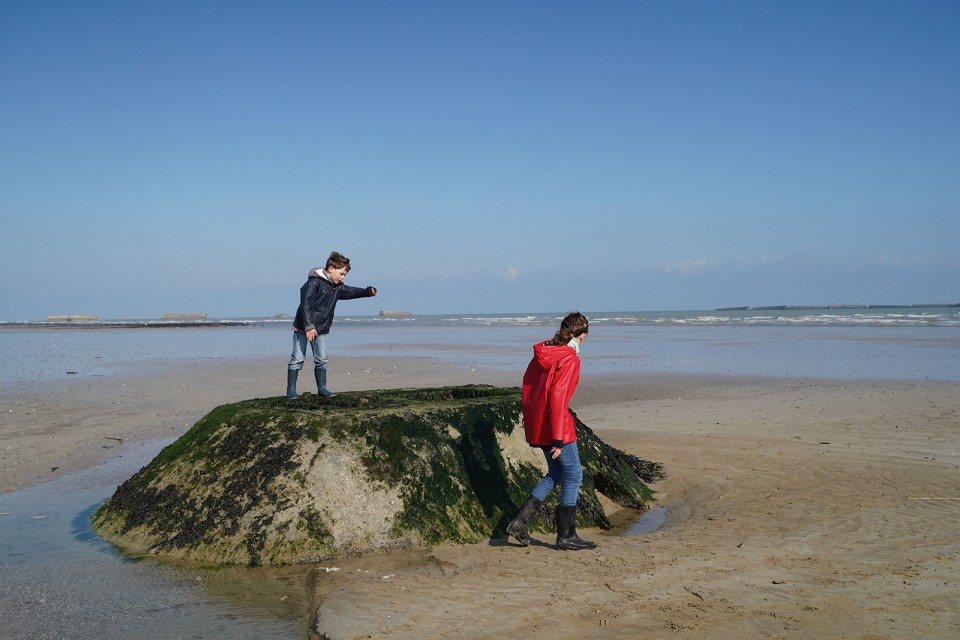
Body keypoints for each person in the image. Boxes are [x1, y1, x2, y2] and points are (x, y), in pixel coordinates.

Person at [506, 311, 597, 551]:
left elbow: (529, 388)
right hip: (556, 427)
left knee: (556, 473)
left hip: (540, 423)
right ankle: (566, 535)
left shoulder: (545, 352)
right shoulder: (569, 358)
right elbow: (557, 398)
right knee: (574, 475)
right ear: (583, 335)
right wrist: (557, 438)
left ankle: (519, 522)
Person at [287, 251, 377, 399]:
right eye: (341, 274)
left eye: (344, 275)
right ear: (331, 269)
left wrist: (366, 292)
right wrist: (309, 326)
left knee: (321, 359)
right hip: (303, 327)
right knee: (297, 358)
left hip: (321, 328)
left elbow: (349, 292)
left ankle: (322, 388)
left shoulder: (337, 287)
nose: (342, 277)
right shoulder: (312, 283)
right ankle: (291, 391)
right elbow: (305, 306)